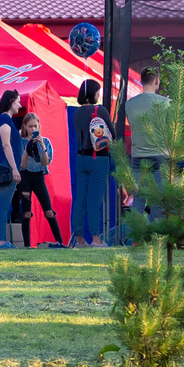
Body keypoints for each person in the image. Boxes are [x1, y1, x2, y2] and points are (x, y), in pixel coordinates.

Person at [5, 96, 62, 246]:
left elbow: (45, 163)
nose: (33, 129)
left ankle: (60, 242)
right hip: (25, 177)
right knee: (26, 212)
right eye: (30, 127)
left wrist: (42, 147)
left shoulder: (46, 141)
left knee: (48, 211)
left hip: (38, 178)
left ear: (39, 126)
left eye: (35, 126)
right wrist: (28, 147)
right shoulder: (21, 142)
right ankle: (27, 246)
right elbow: (22, 165)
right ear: (24, 127)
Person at [69, 76, 113, 246]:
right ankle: (96, 238)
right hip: (98, 159)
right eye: (98, 92)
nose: (99, 95)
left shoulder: (77, 113)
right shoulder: (99, 110)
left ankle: (79, 238)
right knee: (95, 200)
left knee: (80, 199)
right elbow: (112, 134)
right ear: (93, 93)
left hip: (81, 159)